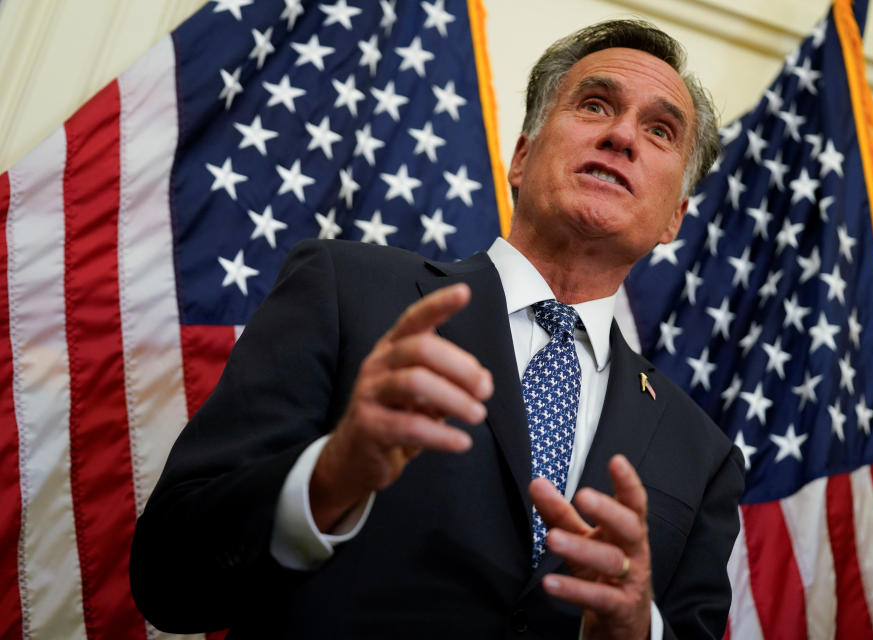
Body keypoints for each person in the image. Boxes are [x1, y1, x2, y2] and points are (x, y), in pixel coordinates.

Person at [131, 18, 744, 640]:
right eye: (594, 105)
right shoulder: (346, 291)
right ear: (523, 157)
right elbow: (169, 578)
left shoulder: (704, 455)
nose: (621, 136)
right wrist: (329, 477)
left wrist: (637, 632)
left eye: (660, 130)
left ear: (674, 218)